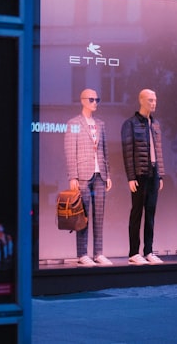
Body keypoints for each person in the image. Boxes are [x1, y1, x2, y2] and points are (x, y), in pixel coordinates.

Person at [64, 88, 113, 267]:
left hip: (100, 174)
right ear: (82, 100)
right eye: (91, 99)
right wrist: (73, 176)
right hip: (83, 175)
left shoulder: (101, 124)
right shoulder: (73, 123)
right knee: (82, 216)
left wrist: (108, 174)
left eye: (97, 99)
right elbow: (70, 151)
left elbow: (105, 150)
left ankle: (98, 252)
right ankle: (82, 253)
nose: (95, 103)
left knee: (99, 216)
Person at [121, 89, 165, 265]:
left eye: (155, 100)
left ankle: (149, 251)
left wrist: (160, 174)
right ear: (141, 100)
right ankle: (133, 252)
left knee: (151, 214)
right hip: (139, 175)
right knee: (137, 212)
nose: (153, 103)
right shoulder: (130, 124)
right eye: (149, 100)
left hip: (153, 174)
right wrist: (131, 177)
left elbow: (159, 151)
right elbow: (128, 152)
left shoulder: (155, 124)